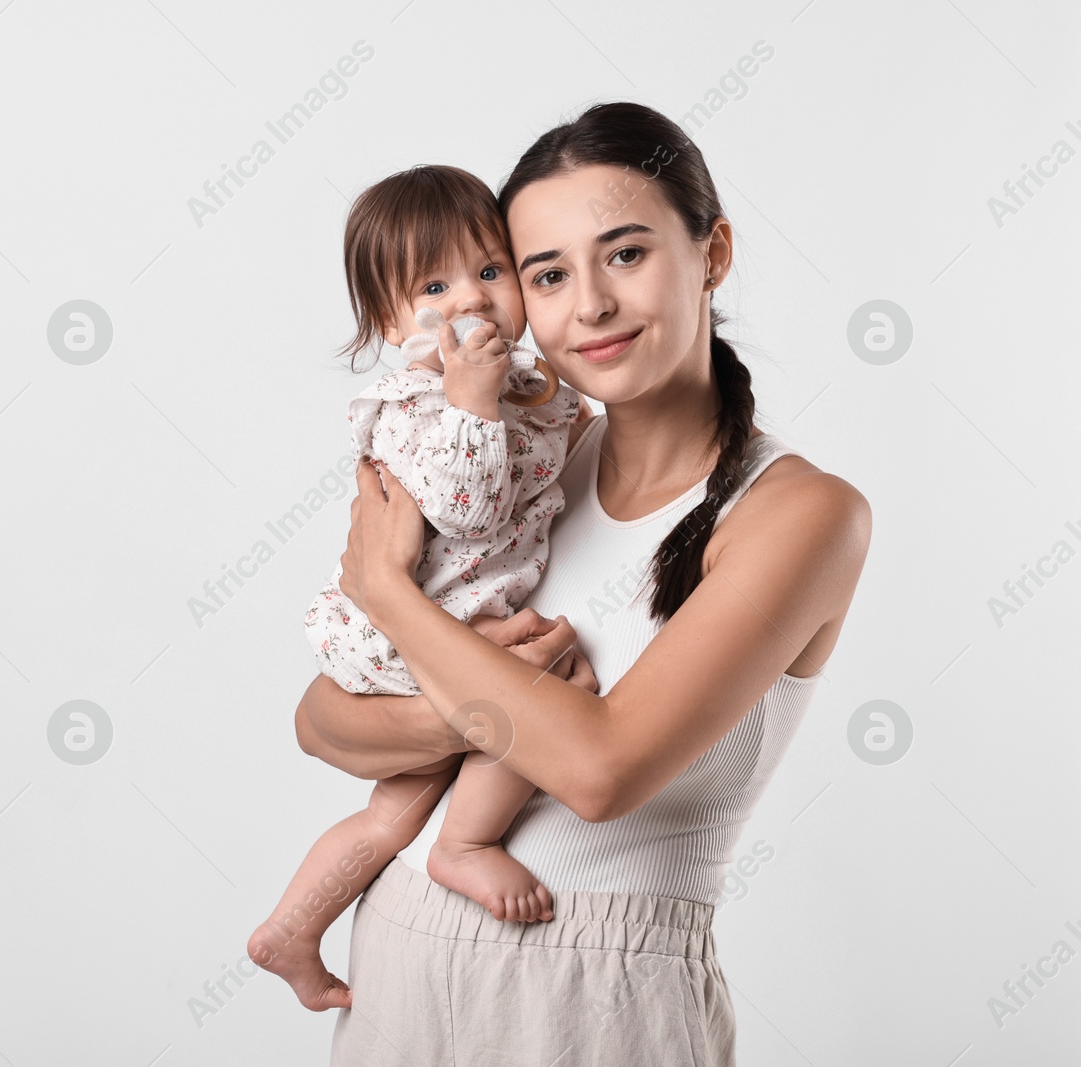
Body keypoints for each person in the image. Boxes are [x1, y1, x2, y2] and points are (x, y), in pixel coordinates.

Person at [296, 101, 872, 1065]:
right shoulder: (520, 470)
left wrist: (393, 594)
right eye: (547, 275)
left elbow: (600, 768)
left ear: (712, 252)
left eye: (627, 253)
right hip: (394, 964)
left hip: (590, 997)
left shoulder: (797, 512)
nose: (589, 306)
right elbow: (322, 719)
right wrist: (455, 707)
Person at [250, 164, 591, 1013]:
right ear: (389, 321)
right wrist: (472, 401)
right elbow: (469, 512)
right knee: (553, 683)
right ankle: (467, 844)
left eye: (488, 271)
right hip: (406, 628)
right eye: (434, 286)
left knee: (392, 809)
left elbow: (547, 438)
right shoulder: (423, 400)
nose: (471, 300)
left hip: (420, 620)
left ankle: (291, 926)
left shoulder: (515, 387)